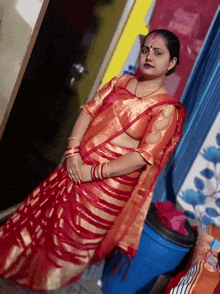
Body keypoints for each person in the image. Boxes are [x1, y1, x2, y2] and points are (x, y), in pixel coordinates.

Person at [0, 29, 186, 291]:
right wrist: (73, 153)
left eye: (158, 53)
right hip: (76, 166)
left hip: (108, 187)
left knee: (75, 242)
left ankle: (49, 285)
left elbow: (142, 156)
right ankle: (23, 273)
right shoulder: (119, 83)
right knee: (47, 225)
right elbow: (87, 113)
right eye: (145, 50)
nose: (148, 56)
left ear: (172, 63)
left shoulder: (165, 108)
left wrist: (94, 172)